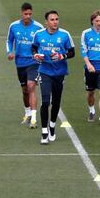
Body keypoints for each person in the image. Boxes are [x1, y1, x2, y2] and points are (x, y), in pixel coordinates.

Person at [32, 11, 75, 145]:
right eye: (52, 19)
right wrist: (36, 55)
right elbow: (33, 48)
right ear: (46, 22)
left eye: (57, 19)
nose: (55, 22)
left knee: (56, 102)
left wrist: (62, 56)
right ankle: (44, 132)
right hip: (44, 71)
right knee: (45, 102)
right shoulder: (39, 35)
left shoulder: (64, 35)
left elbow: (72, 52)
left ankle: (52, 126)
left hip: (59, 73)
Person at [6, 2, 44, 128]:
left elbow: (41, 42)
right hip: (20, 62)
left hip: (33, 62)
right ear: (21, 13)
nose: (28, 16)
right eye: (25, 14)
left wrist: (40, 55)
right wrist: (9, 52)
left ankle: (33, 118)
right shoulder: (14, 26)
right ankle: (27, 112)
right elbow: (9, 40)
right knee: (25, 90)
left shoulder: (38, 27)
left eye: (30, 14)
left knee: (31, 85)